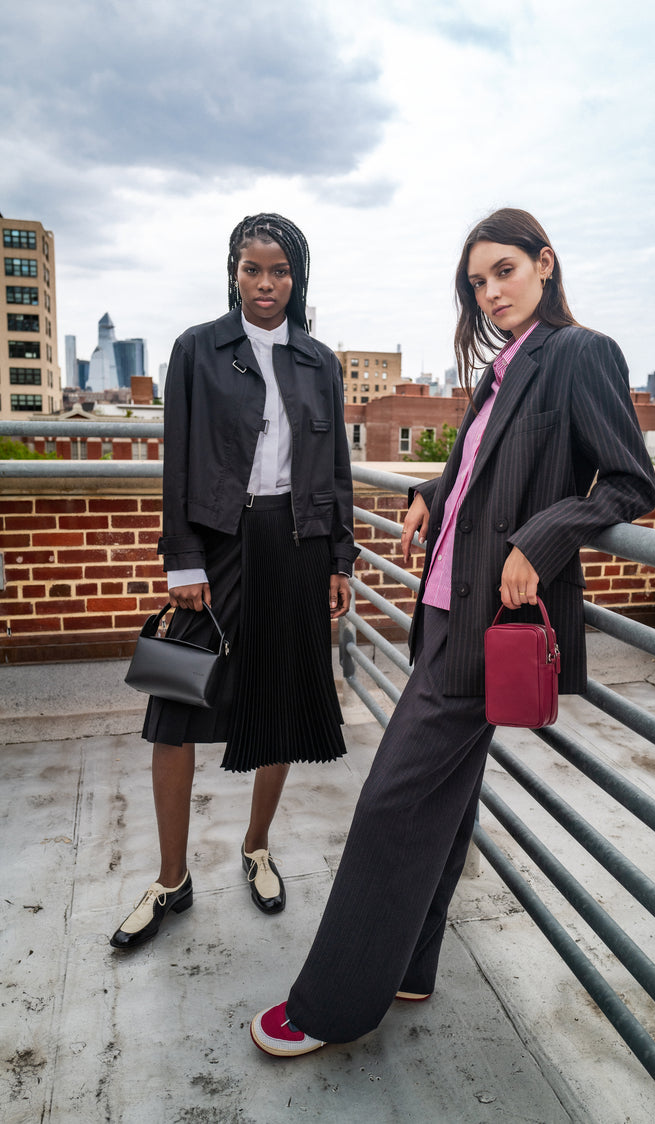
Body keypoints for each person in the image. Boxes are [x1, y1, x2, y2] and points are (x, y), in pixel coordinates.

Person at [250, 207, 655, 1054]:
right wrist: (433, 492)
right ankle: (410, 965)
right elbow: (477, 462)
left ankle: (332, 1005)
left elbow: (628, 483)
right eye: (478, 282)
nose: (492, 292)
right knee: (441, 800)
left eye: (505, 271)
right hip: (441, 607)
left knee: (393, 803)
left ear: (545, 263)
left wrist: (541, 541)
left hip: (491, 624)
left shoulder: (581, 353)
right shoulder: (501, 369)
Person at [111, 213, 358, 950]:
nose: (266, 284)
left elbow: (337, 471)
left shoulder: (319, 361)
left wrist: (340, 558)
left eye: (279, 271)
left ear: (297, 277)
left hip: (299, 544)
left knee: (280, 698)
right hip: (217, 543)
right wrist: (182, 560)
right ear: (233, 272)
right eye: (253, 269)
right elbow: (178, 459)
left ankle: (256, 847)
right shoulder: (197, 349)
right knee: (174, 705)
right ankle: (171, 879)